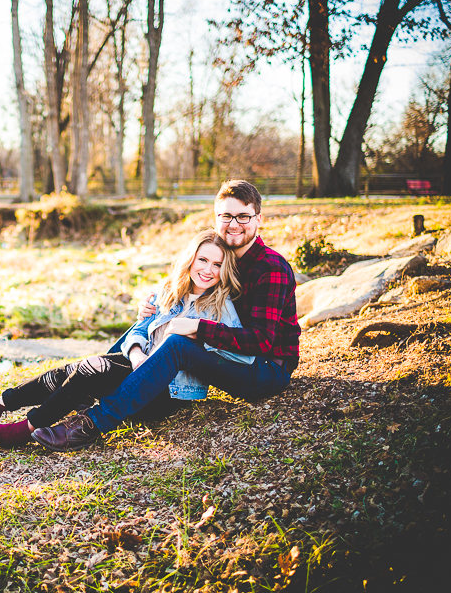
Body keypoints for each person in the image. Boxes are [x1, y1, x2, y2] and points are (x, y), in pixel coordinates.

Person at [31, 179, 300, 452]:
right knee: (152, 327)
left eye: (243, 216)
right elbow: (190, 293)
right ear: (216, 218)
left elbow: (261, 341)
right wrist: (155, 307)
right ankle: (95, 385)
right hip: (233, 355)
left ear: (258, 219)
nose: (234, 224)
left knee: (178, 344)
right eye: (226, 216)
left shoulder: (270, 267)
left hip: (265, 369)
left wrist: (195, 327)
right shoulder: (224, 259)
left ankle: (92, 424)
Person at [0, 229, 253, 448]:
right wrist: (137, 354)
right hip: (134, 367)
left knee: (88, 369)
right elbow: (139, 329)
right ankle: (0, 402)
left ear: (224, 269)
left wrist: (199, 333)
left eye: (217, 265)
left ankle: (25, 428)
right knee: (71, 371)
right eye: (203, 260)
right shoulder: (169, 291)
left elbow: (240, 352)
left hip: (167, 392)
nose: (208, 270)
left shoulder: (221, 307)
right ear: (191, 259)